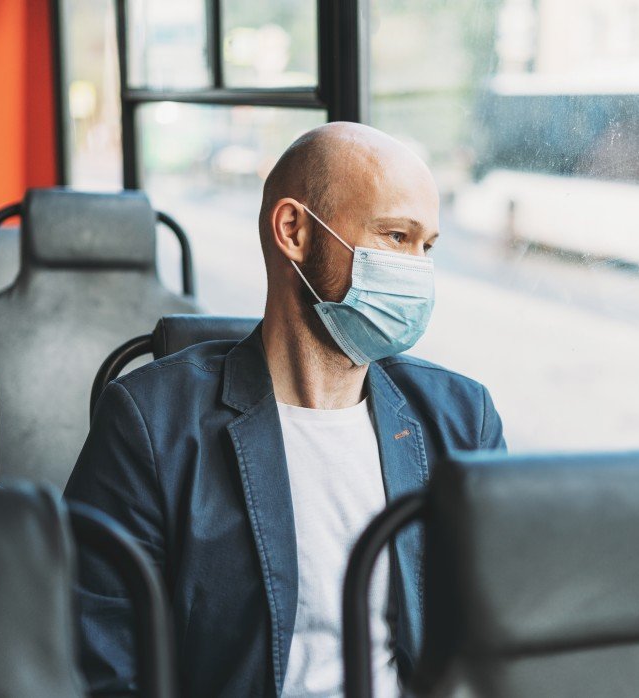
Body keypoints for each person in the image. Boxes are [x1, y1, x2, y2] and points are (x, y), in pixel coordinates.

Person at [65, 122, 506, 697]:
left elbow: (505, 631)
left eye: (428, 247)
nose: (417, 270)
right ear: (294, 230)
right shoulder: (152, 424)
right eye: (397, 237)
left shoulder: (461, 419)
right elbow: (98, 654)